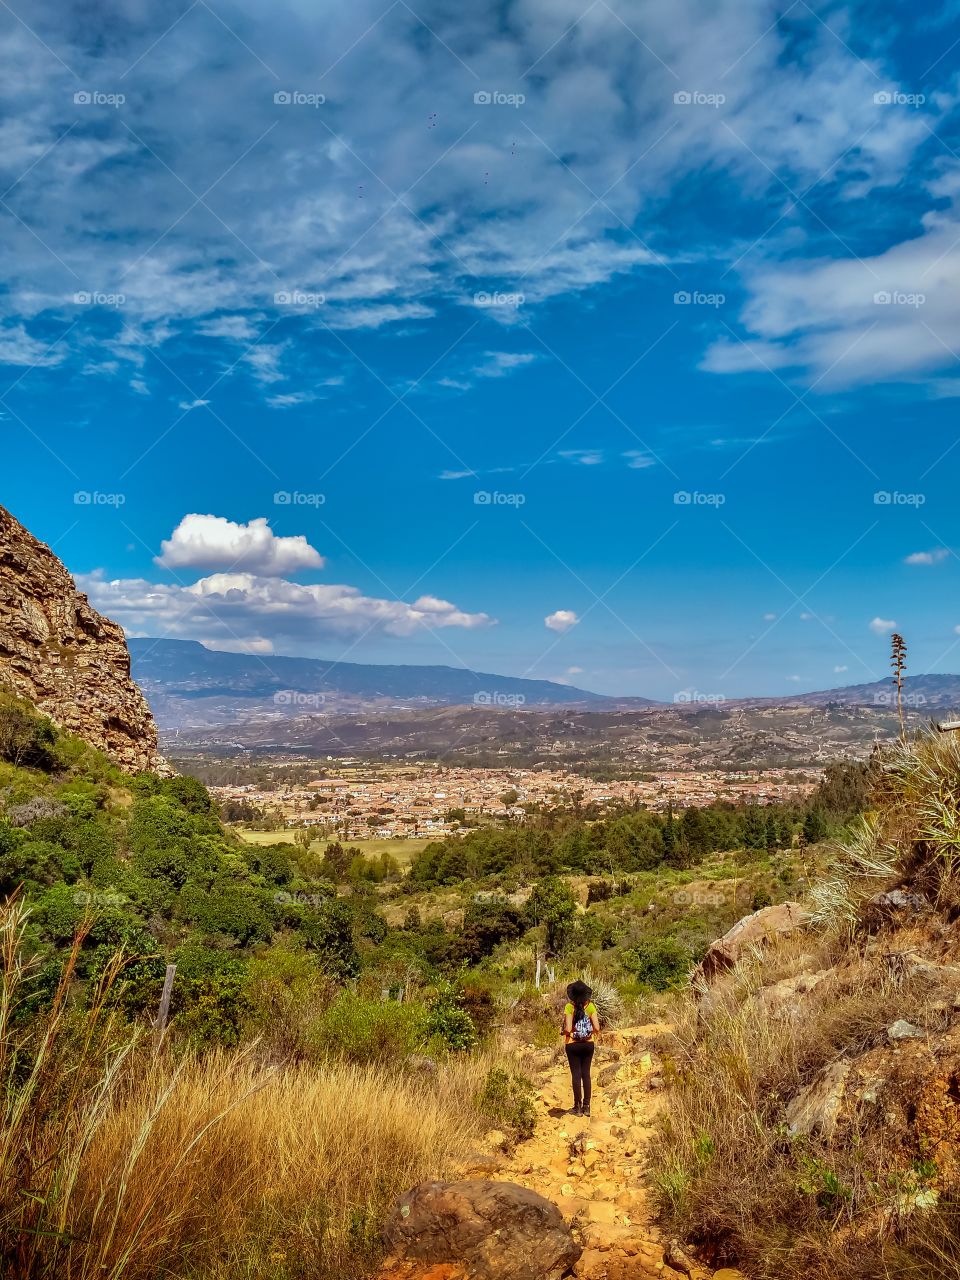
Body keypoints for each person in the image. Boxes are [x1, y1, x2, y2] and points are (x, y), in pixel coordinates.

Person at [562, 979, 600, 1117]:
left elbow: (567, 1028)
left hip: (572, 1045)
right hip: (588, 1044)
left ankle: (577, 1108)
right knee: (586, 1075)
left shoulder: (569, 1007)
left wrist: (565, 1033)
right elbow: (597, 1027)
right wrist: (588, 1033)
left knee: (576, 1075)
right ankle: (587, 1106)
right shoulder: (590, 1007)